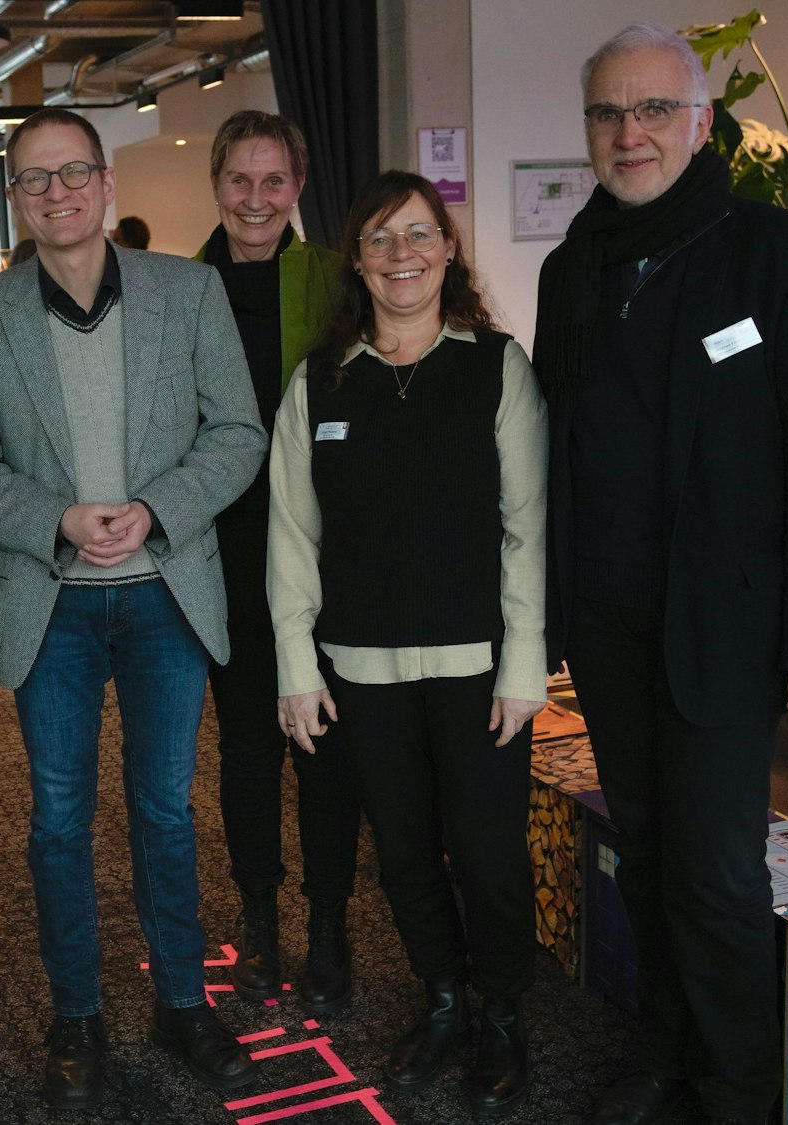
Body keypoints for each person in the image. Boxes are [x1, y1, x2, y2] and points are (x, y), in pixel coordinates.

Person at [534, 23, 788, 1125]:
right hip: (607, 623)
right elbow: (560, 447)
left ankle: (737, 1095)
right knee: (644, 851)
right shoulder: (571, 266)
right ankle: (664, 1056)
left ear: (700, 123)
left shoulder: (787, 260)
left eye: (652, 110)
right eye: (607, 113)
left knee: (718, 872)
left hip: (724, 627)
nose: (627, 133)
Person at [0, 107, 268, 1110]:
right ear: (15, 198)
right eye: (35, 179)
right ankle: (75, 1013)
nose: (58, 193)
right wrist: (58, 519)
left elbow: (237, 433)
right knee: (58, 818)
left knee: (165, 810)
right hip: (51, 604)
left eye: (73, 172)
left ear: (106, 182)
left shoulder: (189, 292)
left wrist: (154, 510)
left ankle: (180, 1002)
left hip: (165, 592)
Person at [269, 171, 547, 1117]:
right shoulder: (320, 381)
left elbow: (527, 529)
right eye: (382, 238)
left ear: (448, 249)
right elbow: (292, 537)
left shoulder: (496, 367)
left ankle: (501, 1012)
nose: (402, 254)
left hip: (479, 669)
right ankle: (442, 999)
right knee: (401, 855)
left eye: (421, 234)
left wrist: (523, 664)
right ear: (356, 258)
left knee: (489, 855)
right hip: (362, 669)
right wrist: (297, 668)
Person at [192, 109, 360, 1011]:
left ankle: (329, 925)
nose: (255, 199)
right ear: (215, 183)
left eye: (274, 181)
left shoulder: (336, 279)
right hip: (221, 552)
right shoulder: (176, 289)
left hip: (325, 553)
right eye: (239, 180)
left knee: (325, 748)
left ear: (297, 186)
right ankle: (259, 919)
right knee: (249, 748)